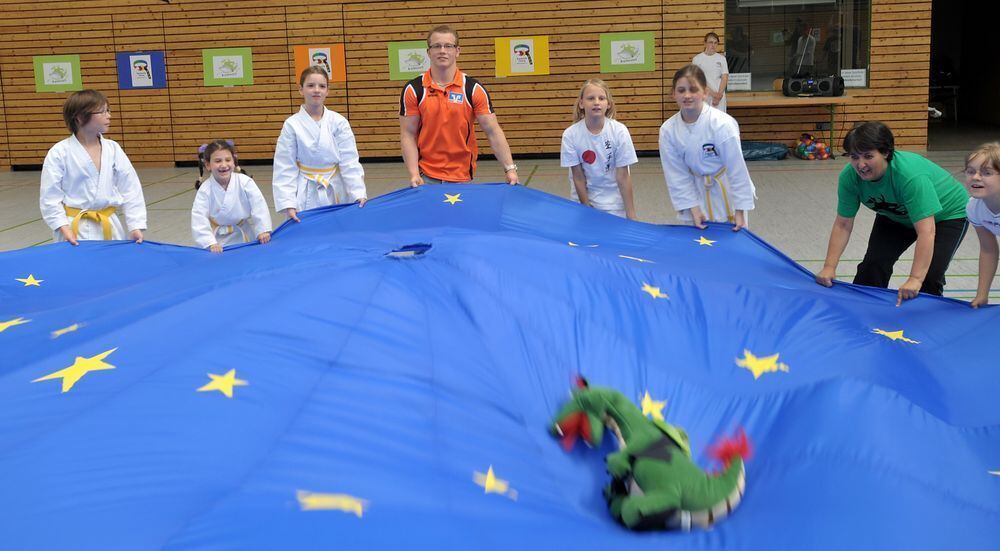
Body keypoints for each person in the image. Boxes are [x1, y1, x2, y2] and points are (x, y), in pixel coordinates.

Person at [815, 121, 969, 305]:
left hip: (946, 215)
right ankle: (864, 310)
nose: (860, 164)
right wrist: (829, 267)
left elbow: (926, 231)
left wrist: (915, 279)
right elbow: (843, 224)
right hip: (896, 215)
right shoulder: (849, 178)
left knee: (929, 275)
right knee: (873, 265)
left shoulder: (910, 177)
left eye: (868, 156)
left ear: (886, 153)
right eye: (854, 157)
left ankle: (928, 320)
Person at [399, 24, 519, 186]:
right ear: (428, 52)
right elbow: (408, 134)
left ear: (457, 51)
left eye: (448, 46)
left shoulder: (472, 88)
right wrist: (413, 174)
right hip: (425, 175)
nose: (442, 50)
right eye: (436, 46)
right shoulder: (414, 89)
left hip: (462, 176)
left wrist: (510, 169)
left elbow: (493, 131)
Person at [39, 89, 147, 245]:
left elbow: (130, 188)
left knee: (110, 268)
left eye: (108, 110)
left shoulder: (113, 149)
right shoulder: (59, 152)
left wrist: (135, 225)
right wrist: (62, 227)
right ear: (80, 117)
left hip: (109, 225)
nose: (108, 116)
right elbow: (50, 196)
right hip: (74, 230)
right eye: (102, 112)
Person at [658, 64, 755, 231]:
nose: (687, 95)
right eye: (681, 90)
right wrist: (692, 206)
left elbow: (737, 168)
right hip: (694, 194)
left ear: (705, 92)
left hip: (726, 192)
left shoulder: (722, 124)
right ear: (673, 94)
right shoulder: (668, 130)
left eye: (693, 89)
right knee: (698, 247)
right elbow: (676, 174)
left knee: (730, 249)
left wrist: (740, 208)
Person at [273, 66, 367, 223]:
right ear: (301, 90)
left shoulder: (339, 122)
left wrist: (358, 193)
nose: (316, 90)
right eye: (310, 85)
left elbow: (349, 161)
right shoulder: (292, 124)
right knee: (308, 238)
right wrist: (288, 203)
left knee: (336, 233)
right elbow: (285, 165)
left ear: (327, 91)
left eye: (322, 86)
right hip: (304, 189)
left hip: (334, 187)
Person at [560, 79, 638, 220]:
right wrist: (586, 207)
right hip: (582, 203)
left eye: (601, 98)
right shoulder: (570, 135)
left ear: (608, 104)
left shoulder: (619, 131)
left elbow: (623, 177)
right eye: (591, 98)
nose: (596, 102)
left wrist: (631, 215)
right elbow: (578, 177)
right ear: (581, 103)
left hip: (613, 204)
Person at [191, 140, 272, 253]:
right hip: (217, 241)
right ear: (208, 165)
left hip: (243, 234)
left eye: (228, 160)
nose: (224, 165)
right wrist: (209, 243)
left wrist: (263, 230)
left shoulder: (245, 182)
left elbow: (259, 206)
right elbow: (199, 218)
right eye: (218, 161)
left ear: (234, 162)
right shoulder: (205, 190)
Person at [962, 142, 1000, 308]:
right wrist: (982, 294)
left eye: (986, 172)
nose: (976, 177)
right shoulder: (974, 207)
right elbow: (988, 250)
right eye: (971, 171)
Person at [692, 32, 730, 112]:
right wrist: (712, 94)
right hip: (704, 96)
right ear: (705, 43)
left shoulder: (721, 59)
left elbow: (724, 77)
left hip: (719, 97)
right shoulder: (697, 59)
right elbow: (697, 81)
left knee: (719, 122)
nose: (713, 45)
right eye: (711, 42)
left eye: (715, 43)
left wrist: (719, 95)